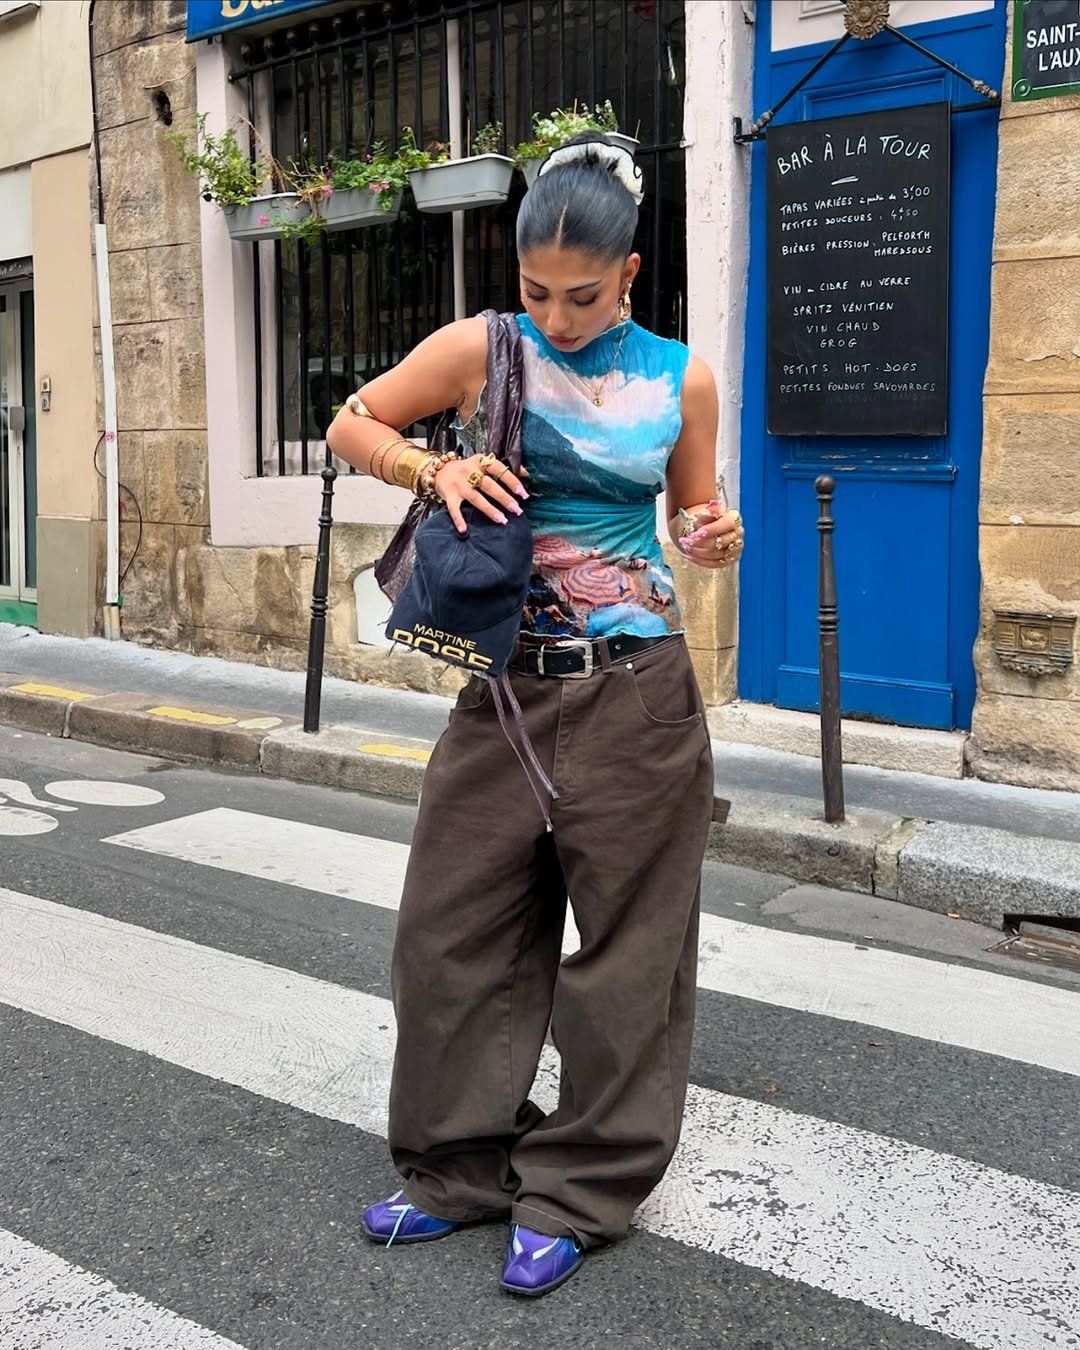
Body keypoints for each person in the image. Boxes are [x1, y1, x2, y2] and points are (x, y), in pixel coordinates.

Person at [325, 135, 745, 1298]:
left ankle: (579, 1188)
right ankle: (459, 1167)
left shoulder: (680, 378)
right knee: (450, 935)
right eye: (535, 291)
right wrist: (433, 472)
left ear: (629, 271)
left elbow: (695, 522)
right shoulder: (481, 346)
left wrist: (716, 537)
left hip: (638, 696)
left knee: (629, 956)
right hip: (505, 686)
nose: (556, 316)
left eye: (583, 293)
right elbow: (351, 422)